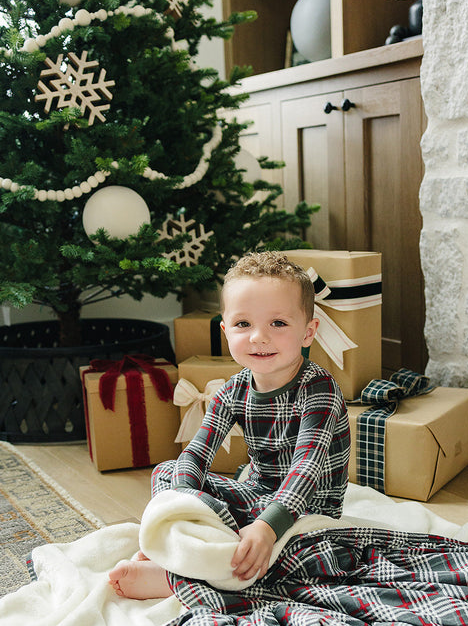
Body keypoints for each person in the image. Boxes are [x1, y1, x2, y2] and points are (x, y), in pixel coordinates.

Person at [109, 251, 350, 599]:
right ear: (225, 330)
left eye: (278, 324)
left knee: (317, 555)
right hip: (254, 494)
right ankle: (183, 544)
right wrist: (179, 507)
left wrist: (267, 528)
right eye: (243, 324)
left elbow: (306, 469)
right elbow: (196, 453)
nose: (258, 337)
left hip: (307, 510)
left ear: (308, 332)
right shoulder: (233, 390)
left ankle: (181, 573)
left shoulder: (319, 389)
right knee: (168, 472)